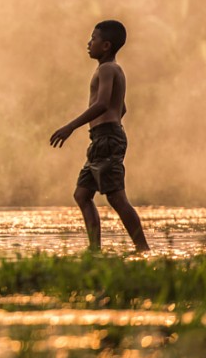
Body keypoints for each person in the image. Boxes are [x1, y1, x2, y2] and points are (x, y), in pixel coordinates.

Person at [50, 20, 149, 252]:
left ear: (106, 45)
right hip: (102, 138)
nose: (88, 43)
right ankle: (94, 251)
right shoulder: (112, 69)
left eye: (93, 39)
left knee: (116, 198)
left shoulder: (107, 69)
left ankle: (143, 249)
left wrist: (71, 127)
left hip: (106, 139)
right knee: (82, 194)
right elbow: (121, 108)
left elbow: (103, 104)